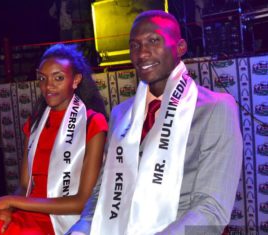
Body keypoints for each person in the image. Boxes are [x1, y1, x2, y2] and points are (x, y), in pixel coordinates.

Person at [67, 10, 243, 235]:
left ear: (180, 47)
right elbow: (103, 191)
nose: (142, 54)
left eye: (153, 41)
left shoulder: (216, 109)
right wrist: (81, 229)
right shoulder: (122, 115)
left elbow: (212, 210)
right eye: (135, 45)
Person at [0, 43, 108, 235]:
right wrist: (7, 209)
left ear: (76, 80)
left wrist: (10, 201)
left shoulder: (92, 122)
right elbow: (24, 186)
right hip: (27, 213)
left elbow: (81, 202)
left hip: (61, 221)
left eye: (59, 78)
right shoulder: (36, 123)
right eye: (42, 78)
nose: (48, 86)